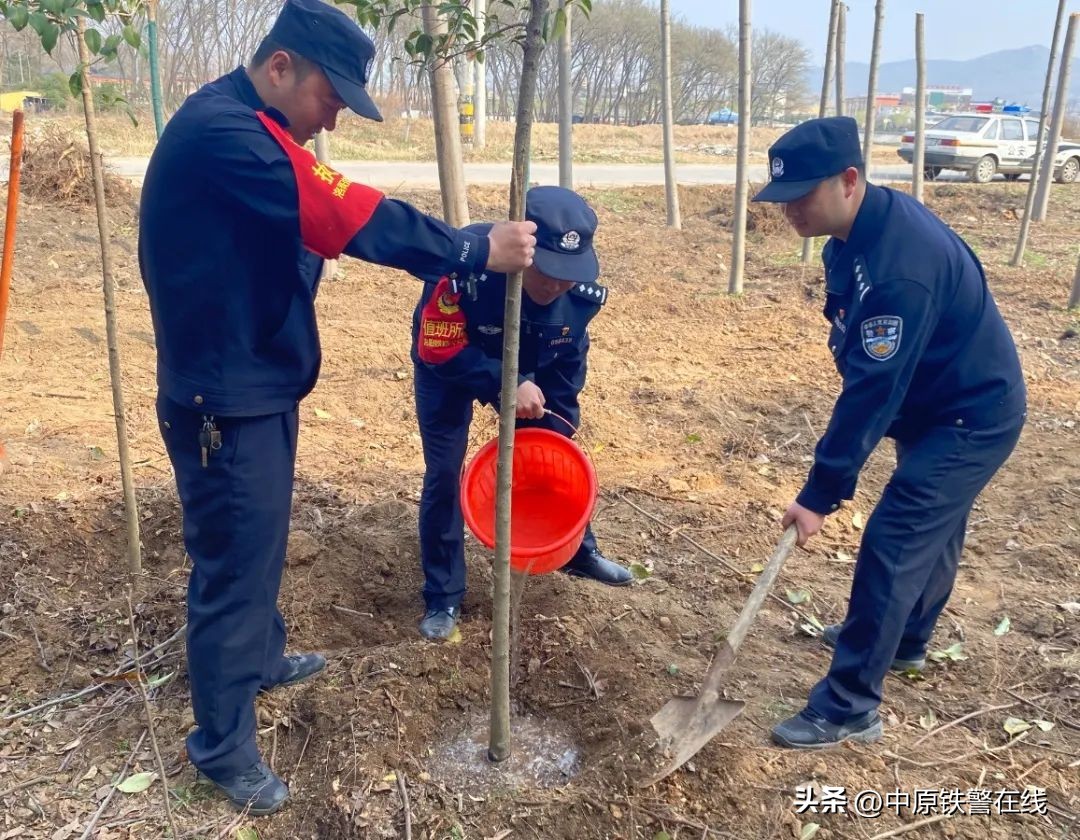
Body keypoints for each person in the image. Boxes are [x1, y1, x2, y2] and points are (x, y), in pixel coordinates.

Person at [138, 0, 537, 815]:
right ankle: (219, 744)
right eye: (330, 100)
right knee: (231, 564)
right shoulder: (227, 133)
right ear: (281, 67)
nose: (330, 125)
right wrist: (468, 246)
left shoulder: (255, 124)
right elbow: (343, 213)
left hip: (257, 383)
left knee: (261, 541)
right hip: (223, 396)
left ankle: (262, 657)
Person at [751, 117, 1026, 748]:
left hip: (970, 416)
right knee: (932, 525)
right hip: (932, 403)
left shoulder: (903, 267)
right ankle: (903, 640)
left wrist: (822, 492)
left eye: (802, 196)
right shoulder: (850, 236)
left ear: (850, 180)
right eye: (781, 198)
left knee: (897, 539)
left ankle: (850, 705)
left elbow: (872, 390)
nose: (789, 210)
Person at [411, 186, 632, 641]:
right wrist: (503, 382)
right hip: (452, 367)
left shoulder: (580, 298)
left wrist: (555, 421)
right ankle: (443, 593)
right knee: (445, 473)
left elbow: (569, 361)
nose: (556, 285)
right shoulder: (466, 265)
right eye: (547, 272)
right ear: (521, 248)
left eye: (568, 275)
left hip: (534, 367)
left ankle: (575, 551)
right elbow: (437, 347)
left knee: (558, 450)